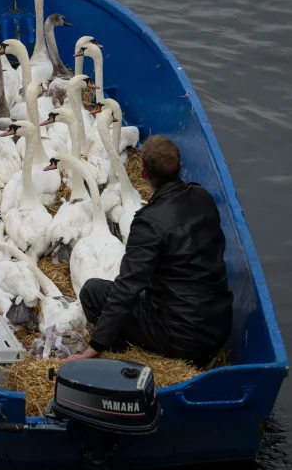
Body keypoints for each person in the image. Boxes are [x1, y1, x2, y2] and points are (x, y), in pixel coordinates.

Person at [68, 136, 232, 366]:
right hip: (218, 326)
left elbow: (127, 287)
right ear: (180, 168)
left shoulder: (148, 223)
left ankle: (119, 353)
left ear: (143, 174)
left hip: (181, 336)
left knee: (93, 291)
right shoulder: (203, 198)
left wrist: (95, 346)